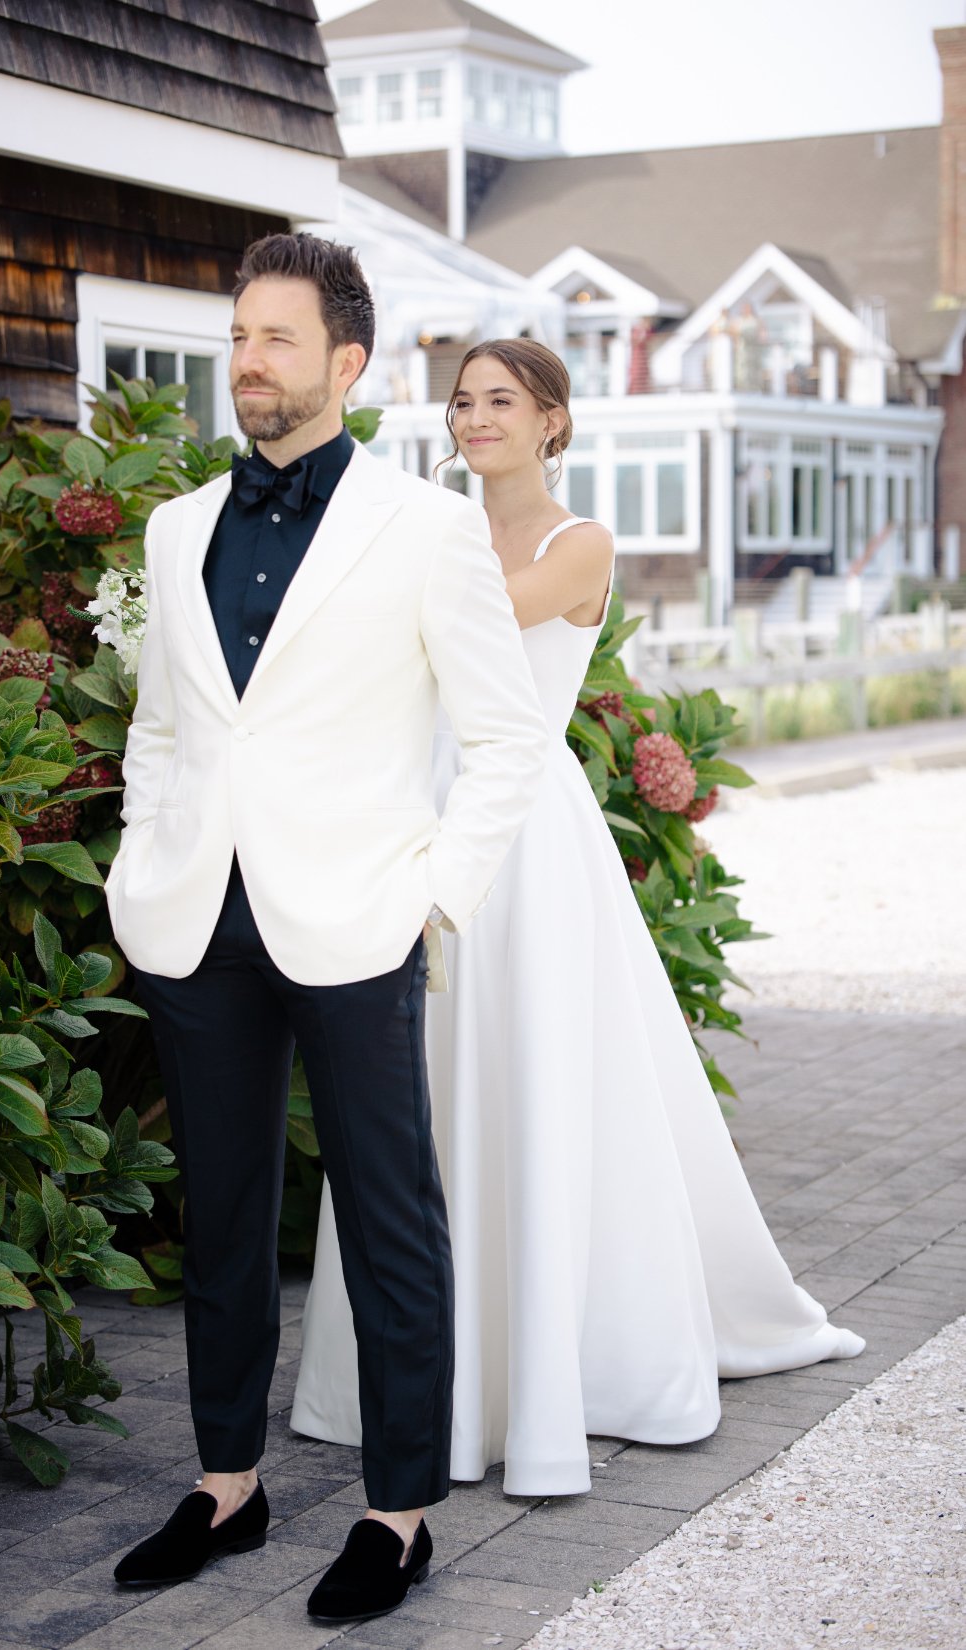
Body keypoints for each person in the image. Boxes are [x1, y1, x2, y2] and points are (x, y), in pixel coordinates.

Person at [292, 339, 864, 1497]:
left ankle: (553, 1372)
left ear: (553, 421)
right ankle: (422, 1375)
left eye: (501, 400)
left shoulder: (576, 545)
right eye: (460, 401)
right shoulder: (427, 526)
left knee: (529, 1083)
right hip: (411, 822)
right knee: (415, 1099)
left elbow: (442, 635)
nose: (474, 417)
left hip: (521, 836)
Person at [105, 243, 548, 1619]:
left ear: (345, 364)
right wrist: (140, 863)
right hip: (198, 924)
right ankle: (227, 1483)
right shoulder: (178, 527)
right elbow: (163, 730)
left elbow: (507, 739)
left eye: (278, 339)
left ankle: (398, 1512)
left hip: (358, 919)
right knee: (222, 1217)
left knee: (391, 1220)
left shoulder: (423, 528)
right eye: (239, 335)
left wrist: (429, 898)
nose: (249, 359)